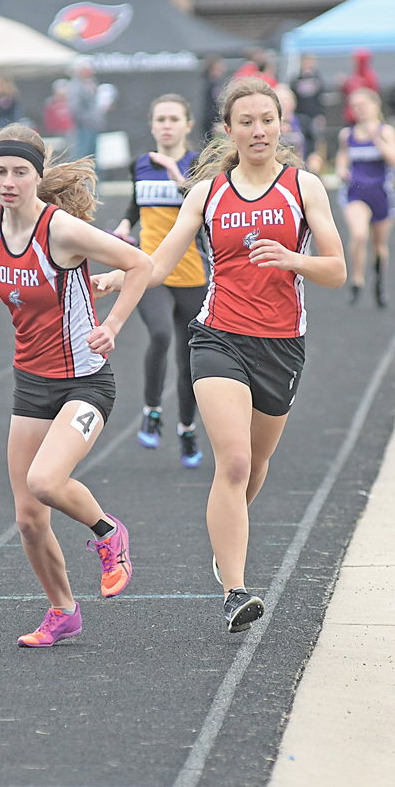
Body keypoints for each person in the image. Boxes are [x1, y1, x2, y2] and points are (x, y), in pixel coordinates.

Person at [94, 77, 346, 633]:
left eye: (267, 120)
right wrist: (121, 275)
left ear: (281, 125)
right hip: (218, 336)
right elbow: (158, 264)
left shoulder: (303, 187)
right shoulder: (208, 193)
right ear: (228, 131)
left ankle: (224, 542)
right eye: (246, 121)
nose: (258, 130)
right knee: (231, 462)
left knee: (254, 470)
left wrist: (292, 259)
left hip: (282, 345)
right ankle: (235, 590)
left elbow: (336, 270)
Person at [0, 123, 152, 647]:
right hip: (31, 384)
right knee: (30, 519)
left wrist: (113, 325)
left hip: (85, 382)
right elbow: (16, 281)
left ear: (38, 176)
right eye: (1, 172)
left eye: (21, 173)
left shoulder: (62, 230)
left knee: (46, 482)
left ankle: (108, 532)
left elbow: (140, 263)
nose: (9, 182)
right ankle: (63, 612)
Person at [112, 94, 207, 468]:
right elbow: (137, 203)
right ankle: (152, 409)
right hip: (149, 270)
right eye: (160, 119)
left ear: (187, 124)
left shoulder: (199, 164)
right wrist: (124, 224)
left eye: (174, 119)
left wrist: (178, 176)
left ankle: (186, 428)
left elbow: (204, 209)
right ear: (152, 125)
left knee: (190, 360)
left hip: (192, 274)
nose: (166, 125)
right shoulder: (141, 164)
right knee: (160, 334)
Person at [336, 87, 395, 307]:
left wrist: (377, 139)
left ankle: (379, 283)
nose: (359, 110)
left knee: (379, 244)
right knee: (359, 235)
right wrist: (342, 170)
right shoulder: (347, 134)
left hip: (380, 193)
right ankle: (357, 280)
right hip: (356, 193)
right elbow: (342, 158)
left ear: (375, 105)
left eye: (363, 105)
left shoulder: (385, 131)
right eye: (355, 106)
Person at [67, 56, 109, 161]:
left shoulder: (90, 83)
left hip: (92, 125)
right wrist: (86, 120)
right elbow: (75, 106)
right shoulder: (76, 85)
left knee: (92, 154)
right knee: (83, 153)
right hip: (84, 125)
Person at [290, 53, 325, 170]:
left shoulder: (317, 78)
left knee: (316, 139)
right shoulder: (297, 79)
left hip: (314, 115)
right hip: (301, 115)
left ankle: (318, 165)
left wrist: (321, 115)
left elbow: (321, 98)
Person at [341, 50, 379, 125]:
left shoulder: (369, 77)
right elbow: (348, 93)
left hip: (366, 116)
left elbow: (373, 96)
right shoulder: (354, 76)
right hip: (351, 116)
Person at [202, 55, 227, 140]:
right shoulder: (209, 85)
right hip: (211, 124)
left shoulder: (215, 84)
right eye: (219, 69)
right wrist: (215, 123)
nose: (222, 71)